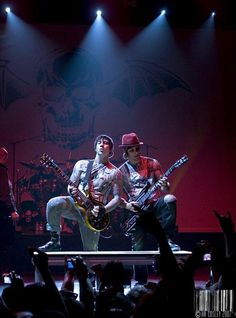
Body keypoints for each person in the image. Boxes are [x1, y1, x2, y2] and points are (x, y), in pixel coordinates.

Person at [38, 134, 122, 252]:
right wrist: (71, 190)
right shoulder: (82, 164)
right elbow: (71, 184)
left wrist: (104, 210)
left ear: (111, 150)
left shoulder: (115, 172)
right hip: (75, 204)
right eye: (99, 142)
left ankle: (92, 269)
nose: (102, 144)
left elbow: (117, 198)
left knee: (91, 252)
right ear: (95, 147)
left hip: (94, 213)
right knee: (53, 203)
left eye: (106, 142)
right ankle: (55, 241)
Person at [118, 133, 180, 284]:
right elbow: (115, 198)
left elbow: (166, 189)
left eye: (138, 149)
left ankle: (167, 239)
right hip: (136, 211)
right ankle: (141, 282)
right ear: (126, 154)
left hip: (153, 205)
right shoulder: (120, 172)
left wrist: (165, 185)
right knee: (138, 247)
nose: (137, 153)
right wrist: (127, 206)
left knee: (170, 199)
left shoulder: (153, 164)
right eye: (132, 150)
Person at [0, 147, 20, 277]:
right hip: (2, 210)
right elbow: (5, 193)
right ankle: (5, 272)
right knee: (6, 241)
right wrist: (12, 210)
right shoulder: (1, 170)